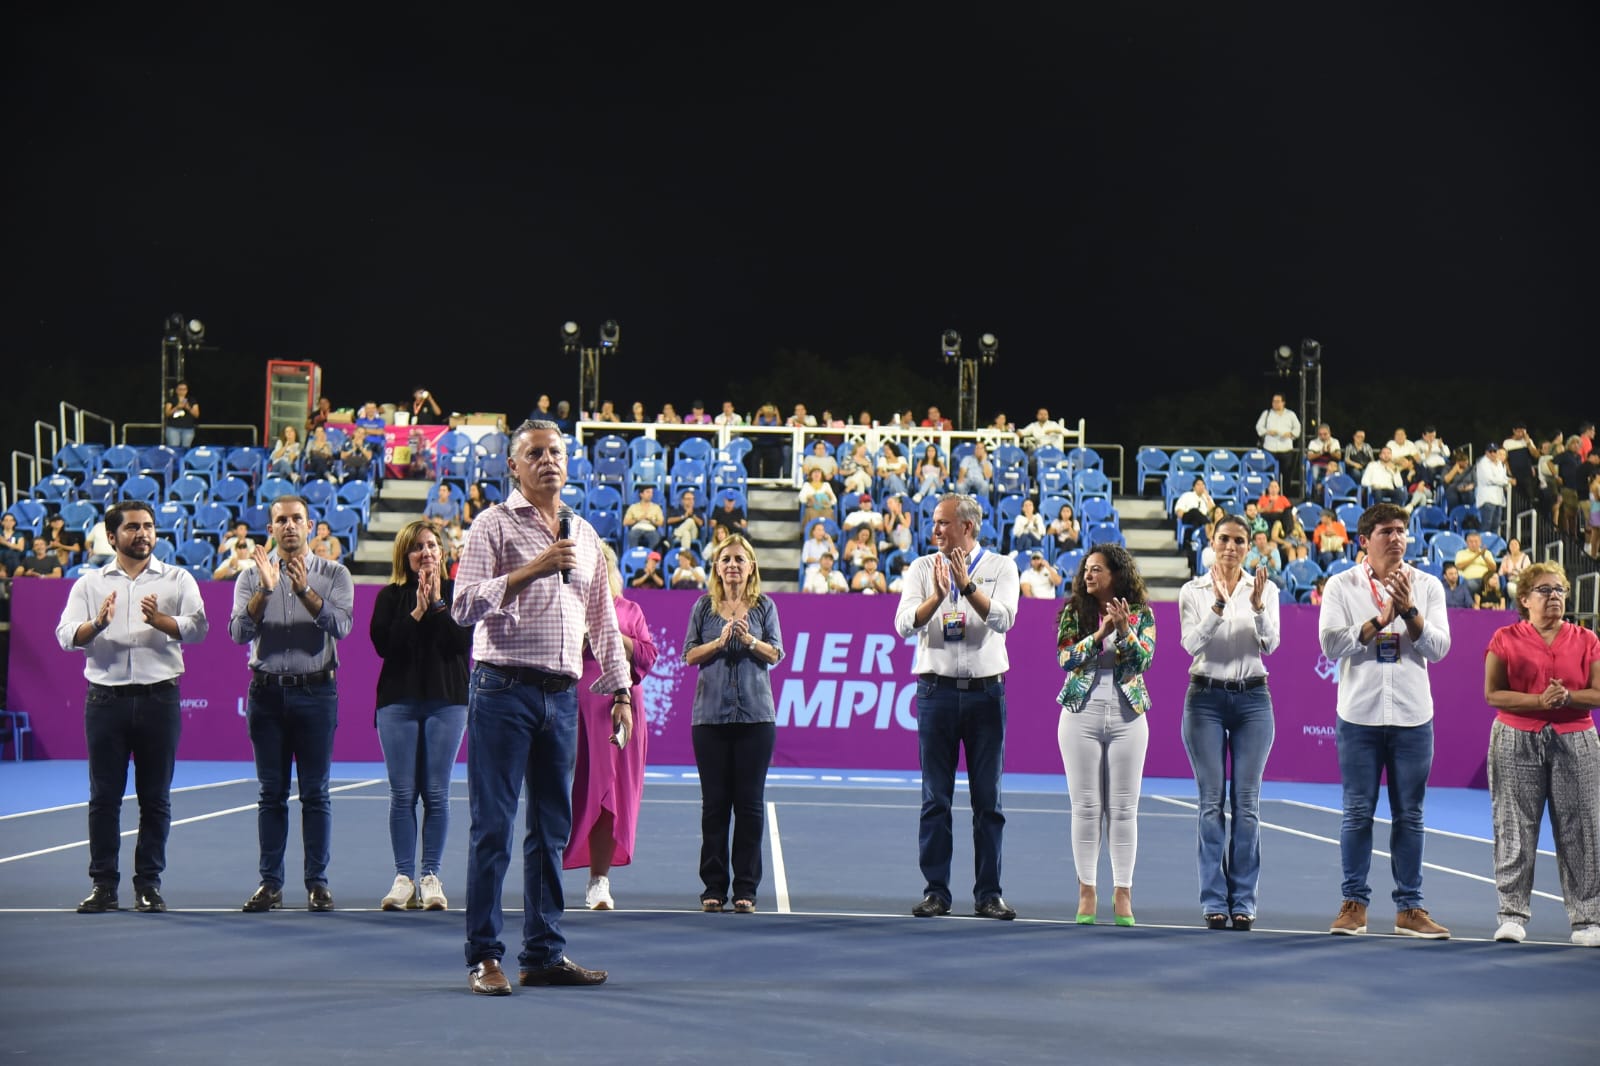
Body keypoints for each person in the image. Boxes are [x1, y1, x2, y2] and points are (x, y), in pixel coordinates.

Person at [450, 419, 632, 994]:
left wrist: (621, 689)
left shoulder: (586, 535)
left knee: (551, 829)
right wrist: (533, 569)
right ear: (514, 466)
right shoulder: (492, 524)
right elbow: (462, 606)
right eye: (535, 453)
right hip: (502, 690)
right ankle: (485, 957)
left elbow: (603, 621)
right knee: (493, 828)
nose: (548, 460)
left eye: (555, 451)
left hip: (561, 695)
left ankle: (543, 953)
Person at [56, 502, 208, 914]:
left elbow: (199, 628)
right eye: (133, 527)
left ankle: (149, 885)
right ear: (112, 537)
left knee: (155, 798)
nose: (143, 533)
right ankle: (103, 885)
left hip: (160, 698)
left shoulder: (178, 578)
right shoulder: (89, 584)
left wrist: (162, 622)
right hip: (105, 701)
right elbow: (66, 635)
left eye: (149, 526)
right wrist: (97, 625)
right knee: (104, 798)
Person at [1317, 502, 1452, 938]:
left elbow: (1439, 648)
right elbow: (1330, 645)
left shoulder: (1427, 585)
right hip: (1359, 715)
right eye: (1386, 531)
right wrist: (1379, 621)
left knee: (1410, 815)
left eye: (1401, 530)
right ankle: (1354, 904)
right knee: (1357, 813)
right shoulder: (1341, 586)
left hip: (1413, 715)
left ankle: (1409, 908)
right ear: (1364, 541)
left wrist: (1409, 612)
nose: (1396, 538)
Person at [895, 494, 1021, 921]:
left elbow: (1004, 619)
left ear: (967, 526)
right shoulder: (921, 568)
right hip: (936, 693)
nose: (935, 530)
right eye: (934, 522)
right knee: (936, 799)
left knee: (989, 801)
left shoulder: (1001, 567)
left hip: (986, 694)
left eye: (943, 522)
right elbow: (902, 624)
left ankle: (989, 894)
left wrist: (966, 587)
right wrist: (935, 597)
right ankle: (936, 892)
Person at [229, 495, 355, 914]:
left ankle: (317, 884)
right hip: (266, 695)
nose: (288, 526)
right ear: (271, 529)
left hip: (316, 693)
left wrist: (304, 592)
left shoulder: (334, 573)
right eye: (280, 520)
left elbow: (342, 625)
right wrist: (265, 593)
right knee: (271, 794)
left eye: (296, 519)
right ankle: (270, 884)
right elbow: (238, 632)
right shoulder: (250, 577)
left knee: (316, 793)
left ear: (309, 525)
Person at [1483, 562, 1600, 946]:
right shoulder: (1504, 638)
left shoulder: (1587, 639)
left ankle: (1587, 919)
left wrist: (1568, 697)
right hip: (1516, 738)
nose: (1554, 597)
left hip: (1576, 739)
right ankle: (1511, 915)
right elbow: (1493, 693)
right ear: (1524, 599)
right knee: (1514, 827)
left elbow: (1598, 691)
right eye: (1544, 590)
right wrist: (1538, 701)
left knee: (1582, 830)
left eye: (1559, 590)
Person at [1178, 513, 1278, 930]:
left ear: (1249, 546)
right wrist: (1218, 606)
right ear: (1212, 541)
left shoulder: (1265, 588)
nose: (1231, 547)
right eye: (1224, 539)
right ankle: (1214, 899)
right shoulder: (1193, 590)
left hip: (1253, 700)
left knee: (1247, 805)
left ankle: (1244, 900)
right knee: (1211, 803)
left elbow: (1270, 644)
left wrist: (1257, 608)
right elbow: (1191, 644)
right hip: (1205, 700)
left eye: (1239, 540)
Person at [369, 520, 471, 911]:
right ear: (405, 555)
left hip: (447, 701)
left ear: (442, 552)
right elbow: (386, 647)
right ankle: (403, 879)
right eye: (417, 547)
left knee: (436, 793)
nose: (425, 552)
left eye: (431, 545)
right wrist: (416, 611)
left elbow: (460, 643)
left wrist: (438, 604)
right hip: (398, 701)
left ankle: (430, 876)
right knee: (402, 794)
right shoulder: (389, 597)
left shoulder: (458, 593)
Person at [1056, 544, 1156, 927]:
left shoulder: (1142, 614)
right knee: (1085, 806)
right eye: (1086, 569)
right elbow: (1065, 658)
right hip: (1080, 713)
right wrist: (1100, 634)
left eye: (1096, 569)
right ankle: (1087, 889)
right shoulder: (1074, 612)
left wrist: (1125, 630)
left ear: (1116, 574)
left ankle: (1123, 891)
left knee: (1124, 808)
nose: (1088, 575)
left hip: (1128, 714)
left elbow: (1143, 660)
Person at [684, 535, 785, 913]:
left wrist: (750, 640)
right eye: (725, 559)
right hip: (709, 718)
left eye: (739, 559)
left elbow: (775, 652)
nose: (732, 565)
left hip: (756, 718)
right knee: (714, 805)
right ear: (716, 567)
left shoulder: (764, 607)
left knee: (749, 805)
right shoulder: (703, 607)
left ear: (751, 566)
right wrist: (719, 642)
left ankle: (746, 888)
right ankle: (713, 887)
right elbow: (689, 654)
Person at [567, 544, 659, 911]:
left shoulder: (629, 610)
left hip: (620, 710)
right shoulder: (567, 606)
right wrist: (580, 638)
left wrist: (612, 635)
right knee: (566, 791)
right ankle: (544, 876)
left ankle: (599, 881)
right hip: (574, 708)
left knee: (610, 797)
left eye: (601, 565)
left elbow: (648, 655)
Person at [1255, 394, 1301, 474]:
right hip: (1270, 449)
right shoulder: (1267, 413)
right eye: (1274, 401)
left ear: (1283, 402)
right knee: (1270, 473)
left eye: (1277, 401)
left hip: (1286, 449)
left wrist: (1290, 434)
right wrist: (1267, 432)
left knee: (1287, 473)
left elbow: (1298, 428)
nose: (1275, 403)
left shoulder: (1290, 414)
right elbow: (1259, 427)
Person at [1476, 441, 1512, 535]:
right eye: (1490, 451)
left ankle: (1491, 545)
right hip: (1487, 499)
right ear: (1486, 452)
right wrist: (1507, 482)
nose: (1492, 453)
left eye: (1494, 451)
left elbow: (1503, 477)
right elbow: (1489, 479)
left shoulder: (1499, 463)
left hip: (1498, 499)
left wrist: (1509, 480)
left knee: (1496, 525)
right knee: (1486, 525)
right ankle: (1481, 544)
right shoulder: (1483, 463)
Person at [163, 381, 200, 449]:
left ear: (187, 390)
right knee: (174, 448)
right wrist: (177, 407)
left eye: (184, 389)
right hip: (173, 428)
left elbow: (196, 415)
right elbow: (167, 414)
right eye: (180, 389)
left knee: (186, 449)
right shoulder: (171, 400)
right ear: (176, 390)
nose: (182, 391)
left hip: (188, 429)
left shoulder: (191, 400)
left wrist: (188, 408)